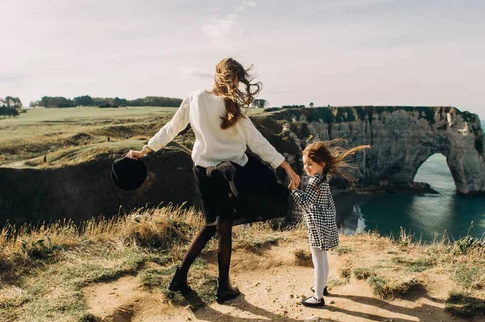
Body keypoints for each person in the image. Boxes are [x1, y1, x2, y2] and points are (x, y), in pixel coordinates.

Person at [126, 58, 301, 303]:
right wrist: (286, 167)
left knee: (214, 225)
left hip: (203, 172)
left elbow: (172, 128)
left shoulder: (195, 98)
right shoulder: (233, 111)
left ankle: (182, 277)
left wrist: (145, 150)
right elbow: (258, 143)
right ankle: (221, 287)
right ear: (235, 79)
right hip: (229, 175)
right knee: (222, 228)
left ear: (216, 73)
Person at [289, 140, 369, 308]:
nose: (306, 168)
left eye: (310, 164)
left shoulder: (313, 182)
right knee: (323, 257)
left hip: (317, 226)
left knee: (317, 260)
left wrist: (294, 191)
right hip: (325, 224)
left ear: (322, 164)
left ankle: (317, 297)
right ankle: (322, 286)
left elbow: (306, 202)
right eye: (304, 164)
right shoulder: (323, 179)